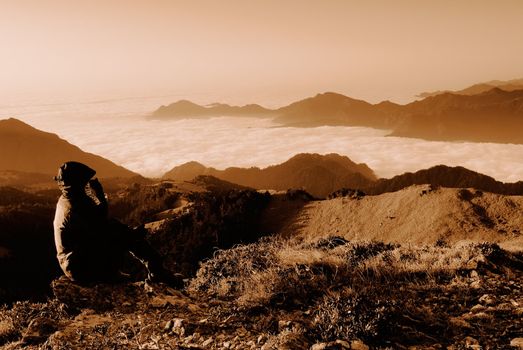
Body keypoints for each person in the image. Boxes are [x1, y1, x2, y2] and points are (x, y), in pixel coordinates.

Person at [53, 161, 182, 287]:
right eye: (85, 182)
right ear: (77, 184)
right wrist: (131, 235)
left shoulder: (68, 200)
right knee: (118, 232)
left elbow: (98, 223)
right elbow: (101, 224)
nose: (87, 185)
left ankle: (150, 269)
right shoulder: (76, 206)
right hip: (81, 268)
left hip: (74, 263)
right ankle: (156, 271)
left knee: (117, 228)